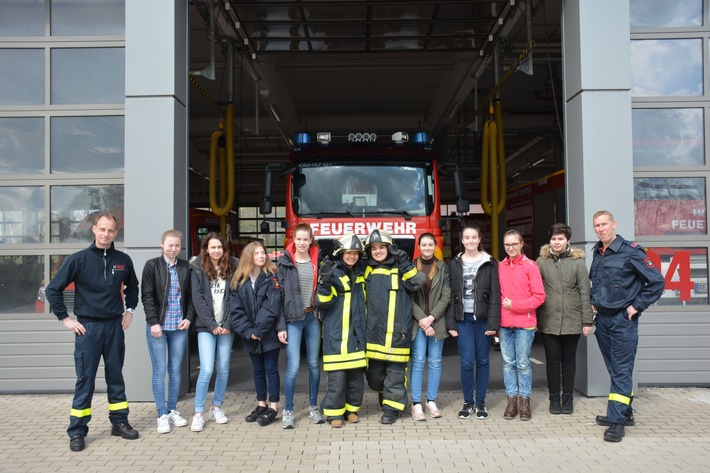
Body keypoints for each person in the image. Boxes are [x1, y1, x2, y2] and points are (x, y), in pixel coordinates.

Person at [45, 212, 139, 452]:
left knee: (115, 376)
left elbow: (133, 287)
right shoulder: (78, 260)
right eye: (102, 229)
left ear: (116, 233)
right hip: (88, 328)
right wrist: (65, 319)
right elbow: (52, 289)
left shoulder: (123, 260)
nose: (106, 234)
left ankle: (119, 423)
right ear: (94, 230)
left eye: (111, 230)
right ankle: (77, 431)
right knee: (85, 380)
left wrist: (130, 311)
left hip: (114, 327)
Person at [590, 210, 665, 442]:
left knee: (621, 370)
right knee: (615, 369)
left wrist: (636, 307)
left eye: (604, 224)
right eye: (597, 225)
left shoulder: (632, 252)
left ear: (614, 224)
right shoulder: (598, 251)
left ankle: (616, 423)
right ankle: (625, 411)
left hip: (623, 320)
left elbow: (656, 282)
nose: (601, 228)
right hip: (602, 319)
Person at [363, 229, 426, 424]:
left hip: (397, 332)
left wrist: (404, 262)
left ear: (390, 249)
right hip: (373, 334)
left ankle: (392, 409)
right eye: (374, 248)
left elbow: (419, 281)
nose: (378, 251)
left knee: (396, 375)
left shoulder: (400, 268)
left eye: (382, 247)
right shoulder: (367, 269)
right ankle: (385, 394)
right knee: (374, 377)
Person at [141, 229, 196, 433]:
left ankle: (172, 410)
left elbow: (191, 297)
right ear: (162, 245)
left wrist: (189, 318)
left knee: (175, 370)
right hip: (158, 327)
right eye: (170, 245)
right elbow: (147, 296)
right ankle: (161, 414)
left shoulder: (185, 267)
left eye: (177, 245)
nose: (174, 249)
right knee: (159, 370)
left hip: (179, 327)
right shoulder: (152, 266)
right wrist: (153, 322)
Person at [536, 223, 594, 415]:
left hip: (572, 318)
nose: (557, 242)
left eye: (560, 238)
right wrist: (534, 320)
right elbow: (535, 291)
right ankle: (554, 398)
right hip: (548, 318)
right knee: (552, 360)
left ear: (568, 240)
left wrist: (587, 321)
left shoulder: (578, 263)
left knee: (569, 360)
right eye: (553, 239)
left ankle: (567, 398)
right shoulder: (541, 261)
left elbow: (585, 292)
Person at [445, 224, 500, 421]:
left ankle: (481, 402)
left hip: (483, 320)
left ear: (479, 239)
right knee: (467, 362)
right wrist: (451, 324)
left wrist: (493, 325)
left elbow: (495, 294)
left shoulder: (490, 263)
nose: (470, 241)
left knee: (483, 361)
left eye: (473, 237)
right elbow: (450, 295)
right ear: (462, 240)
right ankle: (468, 402)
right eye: (466, 238)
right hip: (463, 320)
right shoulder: (454, 264)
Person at [315, 234, 367, 428]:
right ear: (340, 253)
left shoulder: (361, 272)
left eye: (355, 253)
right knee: (337, 378)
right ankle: (333, 413)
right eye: (348, 253)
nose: (352, 256)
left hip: (356, 333)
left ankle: (351, 410)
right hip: (336, 333)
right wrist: (325, 282)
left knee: (355, 378)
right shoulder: (333, 272)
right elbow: (323, 303)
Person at [276, 223, 325, 429]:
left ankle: (313, 407)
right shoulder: (285, 262)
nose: (302, 243)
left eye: (306, 239)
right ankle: (288, 409)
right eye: (299, 239)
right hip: (293, 320)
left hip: (312, 317)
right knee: (294, 366)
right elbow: (278, 297)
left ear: (310, 240)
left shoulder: (318, 260)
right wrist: (280, 326)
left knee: (314, 364)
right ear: (293, 240)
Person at [231, 241, 284, 427]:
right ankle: (261, 404)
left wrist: (259, 330)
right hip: (250, 336)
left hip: (267, 334)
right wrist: (248, 332)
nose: (262, 256)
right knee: (258, 371)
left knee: (271, 370)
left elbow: (272, 306)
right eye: (257, 253)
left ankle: (274, 406)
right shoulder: (238, 281)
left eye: (263, 253)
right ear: (249, 257)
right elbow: (235, 311)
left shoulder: (272, 277)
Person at [189, 232, 238, 432]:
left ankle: (216, 407)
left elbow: (235, 296)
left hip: (227, 326)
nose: (216, 250)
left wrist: (227, 323)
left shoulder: (232, 266)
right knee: (207, 369)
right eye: (213, 247)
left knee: (224, 368)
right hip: (206, 327)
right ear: (206, 249)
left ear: (224, 249)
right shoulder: (196, 267)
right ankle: (198, 413)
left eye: (220, 247)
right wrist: (211, 325)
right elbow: (197, 299)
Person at [498, 229, 546, 421]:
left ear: (521, 244)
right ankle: (511, 401)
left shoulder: (531, 266)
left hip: (524, 324)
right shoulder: (500, 266)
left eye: (514, 244)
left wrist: (515, 306)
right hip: (504, 324)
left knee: (524, 364)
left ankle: (525, 401)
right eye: (507, 244)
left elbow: (539, 296)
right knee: (508, 363)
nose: (510, 247)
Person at [410, 233, 451, 421]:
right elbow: (408, 299)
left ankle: (431, 401)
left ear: (435, 246)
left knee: (435, 362)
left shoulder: (444, 268)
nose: (427, 248)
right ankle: (416, 403)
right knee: (418, 362)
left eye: (430, 244)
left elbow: (446, 296)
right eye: (423, 244)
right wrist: (423, 320)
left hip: (437, 322)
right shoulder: (410, 268)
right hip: (418, 323)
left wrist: (432, 318)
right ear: (418, 246)